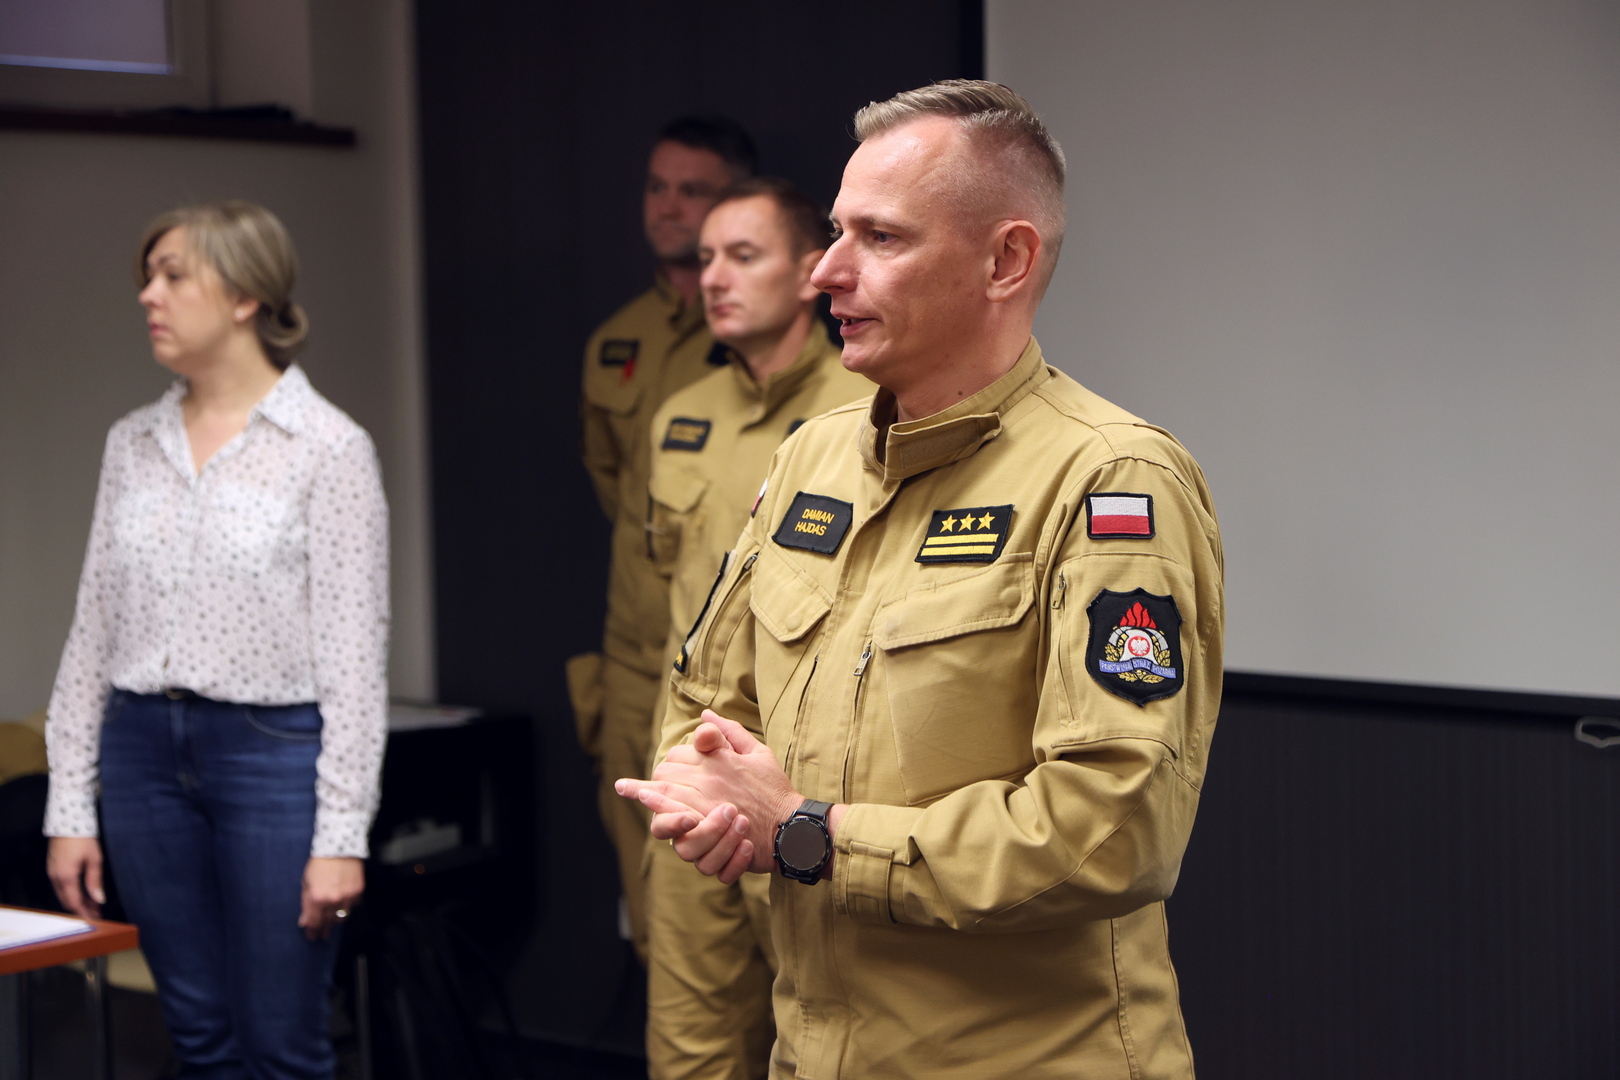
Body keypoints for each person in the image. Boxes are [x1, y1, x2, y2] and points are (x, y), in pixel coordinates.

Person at [619, 81, 1224, 1079]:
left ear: (1005, 261)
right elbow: (705, 704)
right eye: (835, 232)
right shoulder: (812, 459)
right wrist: (705, 791)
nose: (827, 272)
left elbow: (1112, 832)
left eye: (881, 239)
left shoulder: (1111, 480)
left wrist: (810, 839)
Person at [44, 201, 389, 1080]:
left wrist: (341, 836)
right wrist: (69, 808)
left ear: (245, 296)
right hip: (139, 756)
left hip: (271, 756)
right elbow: (92, 629)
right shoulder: (132, 443)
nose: (148, 296)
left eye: (173, 276)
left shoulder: (329, 448)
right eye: (146, 277)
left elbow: (355, 658)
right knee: (197, 1039)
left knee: (281, 1044)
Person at [644, 178, 871, 1080]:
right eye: (705, 257)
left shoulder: (862, 413)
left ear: (813, 269)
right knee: (689, 1048)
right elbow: (650, 611)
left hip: (801, 789)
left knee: (826, 1039)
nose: (713, 277)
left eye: (743, 255)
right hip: (691, 772)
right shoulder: (680, 415)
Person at [573, 115, 756, 959]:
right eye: (657, 187)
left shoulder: (758, 338)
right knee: (656, 924)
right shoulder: (617, 340)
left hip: (731, 678)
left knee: (744, 930)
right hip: (633, 660)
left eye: (694, 190)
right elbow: (618, 491)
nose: (669, 206)